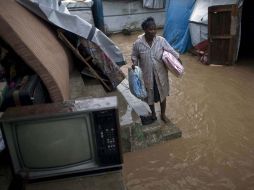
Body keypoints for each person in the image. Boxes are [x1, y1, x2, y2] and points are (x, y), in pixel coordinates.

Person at [131, 17, 179, 123]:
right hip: (147, 75)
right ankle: (153, 114)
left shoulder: (161, 40)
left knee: (163, 95)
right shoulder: (138, 43)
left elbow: (170, 50)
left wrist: (178, 59)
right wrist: (134, 64)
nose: (153, 31)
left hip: (160, 74)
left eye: (154, 29)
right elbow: (134, 56)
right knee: (149, 96)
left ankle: (163, 114)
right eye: (150, 29)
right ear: (145, 30)